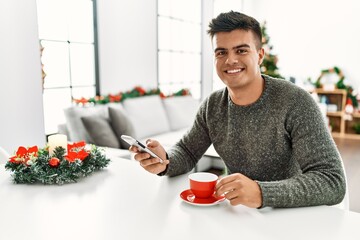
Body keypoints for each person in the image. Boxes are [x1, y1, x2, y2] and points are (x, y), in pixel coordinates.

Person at [130, 11, 346, 208]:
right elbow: (186, 152)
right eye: (221, 52)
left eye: (241, 50)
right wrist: (164, 161)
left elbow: (332, 180)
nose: (230, 60)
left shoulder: (296, 102)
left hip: (292, 216)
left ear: (260, 55)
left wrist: (263, 193)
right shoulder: (212, 106)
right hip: (238, 215)